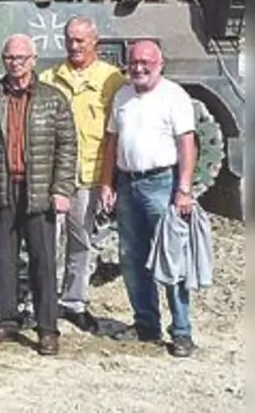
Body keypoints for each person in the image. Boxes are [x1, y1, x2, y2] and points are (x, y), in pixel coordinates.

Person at [0, 34, 76, 355]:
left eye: (21, 58)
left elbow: (68, 146)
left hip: (39, 189)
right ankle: (7, 321)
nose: (15, 64)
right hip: (2, 187)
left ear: (33, 60)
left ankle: (47, 328)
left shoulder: (53, 99)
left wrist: (62, 189)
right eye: (10, 58)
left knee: (43, 261)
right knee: (4, 260)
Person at [97, 40, 199, 357]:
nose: (139, 67)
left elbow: (187, 145)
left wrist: (183, 189)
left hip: (162, 184)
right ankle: (146, 324)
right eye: (134, 62)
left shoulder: (174, 96)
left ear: (160, 63)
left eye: (145, 62)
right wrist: (106, 183)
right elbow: (112, 143)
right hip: (128, 184)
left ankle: (181, 331)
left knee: (171, 261)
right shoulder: (123, 95)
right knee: (132, 259)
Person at [39, 16, 125, 334]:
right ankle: (45, 301)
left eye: (81, 40)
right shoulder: (49, 78)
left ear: (95, 43)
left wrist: (109, 180)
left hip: (89, 174)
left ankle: (74, 301)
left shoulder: (112, 80)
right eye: (70, 40)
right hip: (52, 176)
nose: (74, 46)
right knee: (48, 241)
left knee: (81, 241)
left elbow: (115, 133)